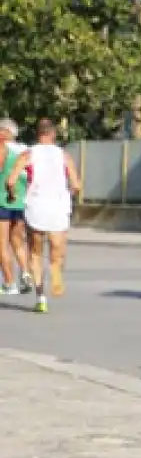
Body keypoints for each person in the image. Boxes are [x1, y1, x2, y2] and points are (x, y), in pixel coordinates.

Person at [12, 119, 81, 314]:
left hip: (36, 207)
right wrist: (68, 194)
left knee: (35, 253)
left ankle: (41, 297)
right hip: (58, 207)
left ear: (37, 134)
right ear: (53, 135)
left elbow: (11, 181)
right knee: (57, 250)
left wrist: (13, 193)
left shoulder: (28, 154)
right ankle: (56, 270)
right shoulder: (64, 156)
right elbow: (76, 185)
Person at [0, 119, 27, 295]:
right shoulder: (25, 150)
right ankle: (26, 274)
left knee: (2, 243)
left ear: (6, 131)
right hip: (21, 201)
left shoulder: (4, 148)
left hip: (3, 199)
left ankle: (9, 283)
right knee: (17, 242)